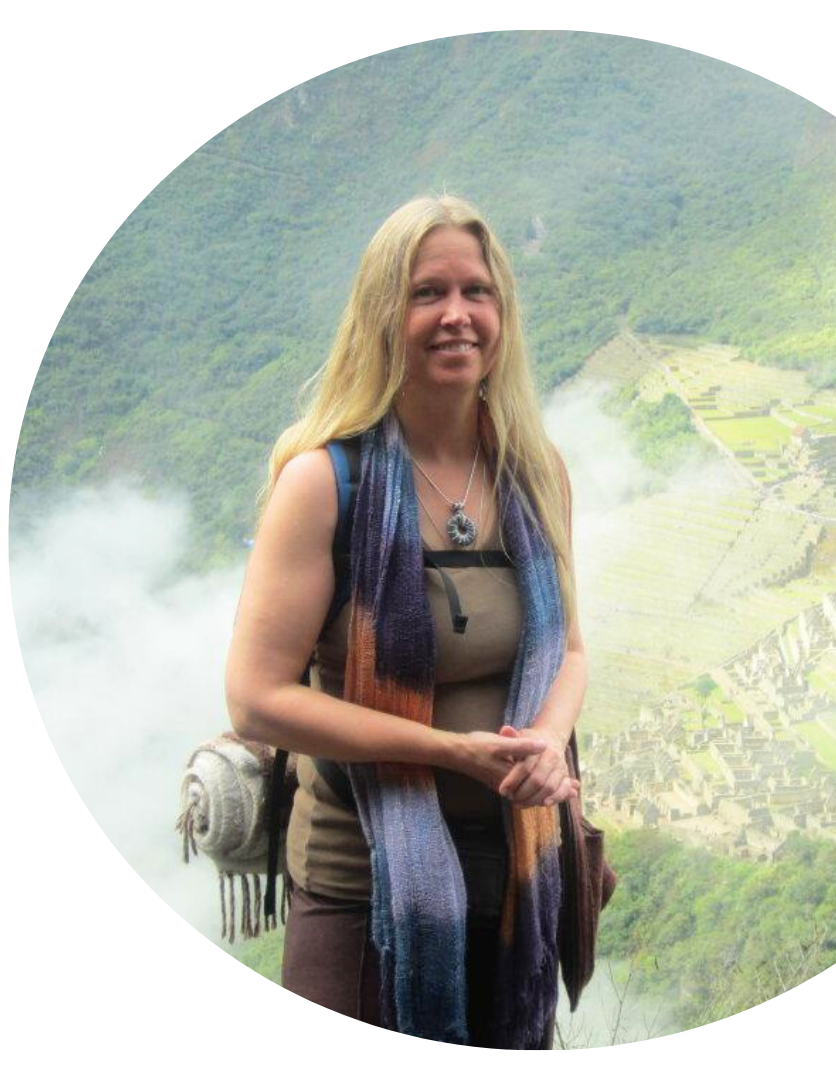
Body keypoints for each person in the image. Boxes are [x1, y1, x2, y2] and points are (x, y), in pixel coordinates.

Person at [224, 194, 587, 1050]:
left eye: (476, 291)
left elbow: (571, 649)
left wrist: (546, 741)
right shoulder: (324, 483)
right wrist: (450, 752)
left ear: (503, 311)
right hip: (362, 891)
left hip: (515, 876)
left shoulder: (535, 472)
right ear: (384, 314)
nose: (457, 315)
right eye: (428, 293)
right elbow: (256, 700)